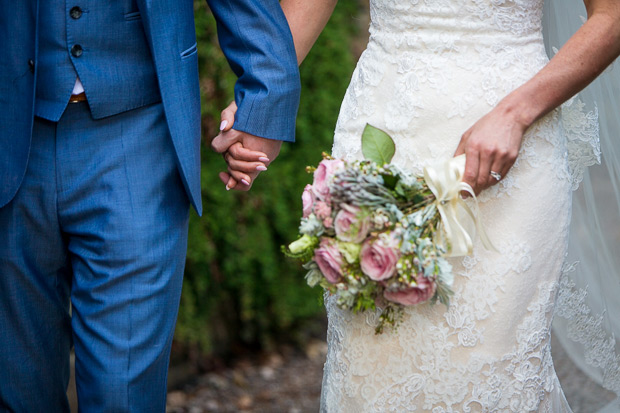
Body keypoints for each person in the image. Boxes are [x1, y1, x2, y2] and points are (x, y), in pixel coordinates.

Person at [220, 0, 620, 410]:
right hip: (384, 130)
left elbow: (612, 17)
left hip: (511, 143)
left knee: (491, 365)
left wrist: (516, 114)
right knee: (373, 363)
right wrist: (259, 102)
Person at [0, 1, 299, 411]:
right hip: (8, 128)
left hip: (136, 134)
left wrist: (266, 98)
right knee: (17, 388)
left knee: (122, 394)